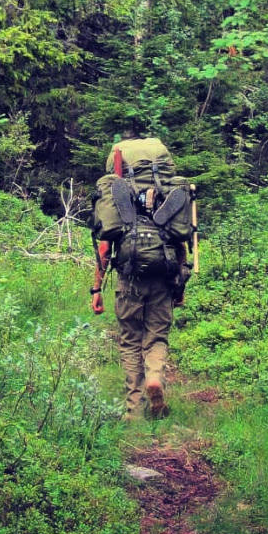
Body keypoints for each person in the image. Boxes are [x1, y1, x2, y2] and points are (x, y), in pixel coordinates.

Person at [93, 135, 190, 421]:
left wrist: (95, 289)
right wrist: (180, 286)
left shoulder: (115, 194)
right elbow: (181, 241)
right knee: (156, 337)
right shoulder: (168, 191)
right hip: (164, 275)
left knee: (130, 341)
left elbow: (104, 246)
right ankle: (155, 378)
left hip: (129, 277)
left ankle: (133, 410)